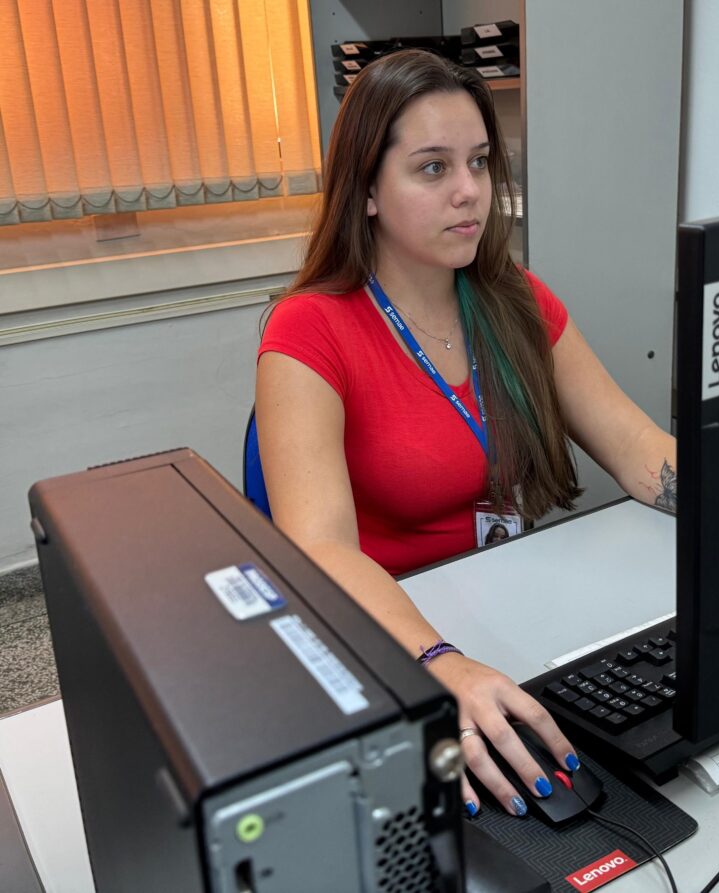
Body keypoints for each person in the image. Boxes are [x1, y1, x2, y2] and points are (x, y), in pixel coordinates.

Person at [255, 49, 677, 819]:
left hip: (510, 607)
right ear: (369, 190)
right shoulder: (308, 330)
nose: (469, 192)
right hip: (394, 635)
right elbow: (319, 551)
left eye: (480, 162)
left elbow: (638, 445)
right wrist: (440, 662)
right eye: (432, 168)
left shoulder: (513, 298)